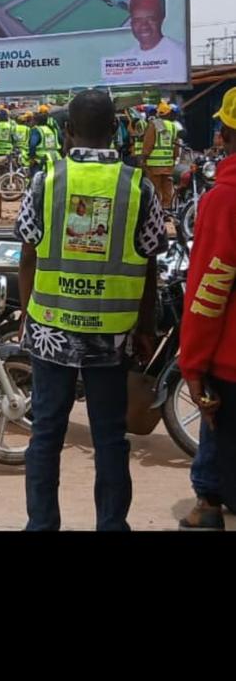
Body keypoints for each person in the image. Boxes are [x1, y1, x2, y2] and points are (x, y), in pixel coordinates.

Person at [15, 89, 167, 531]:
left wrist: (29, 315)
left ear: (68, 132)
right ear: (116, 130)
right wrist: (146, 326)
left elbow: (28, 255)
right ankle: (112, 525)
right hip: (113, 333)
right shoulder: (138, 186)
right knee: (109, 438)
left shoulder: (47, 180)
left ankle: (41, 526)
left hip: (51, 330)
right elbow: (149, 260)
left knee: (45, 435)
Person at [178, 86, 236, 526]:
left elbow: (210, 289)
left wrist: (192, 365)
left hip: (231, 361)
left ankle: (209, 505)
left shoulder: (223, 200)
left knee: (219, 437)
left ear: (224, 134)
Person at [100, 0, 186, 83]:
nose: (144, 26)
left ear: (161, 20)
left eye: (151, 19)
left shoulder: (180, 53)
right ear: (132, 24)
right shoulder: (122, 58)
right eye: (137, 21)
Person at [141, 100, 180, 208]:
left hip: (154, 165)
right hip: (168, 165)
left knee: (155, 190)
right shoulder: (173, 126)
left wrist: (143, 158)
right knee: (167, 189)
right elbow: (176, 146)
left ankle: (157, 211)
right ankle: (167, 210)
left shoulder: (156, 124)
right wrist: (174, 159)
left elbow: (149, 143)